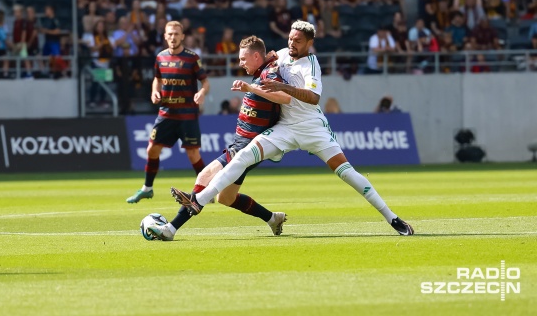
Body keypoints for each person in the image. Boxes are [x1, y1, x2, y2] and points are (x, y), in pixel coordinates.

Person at [170, 21, 414, 236]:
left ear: (310, 42)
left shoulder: (311, 65)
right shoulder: (284, 54)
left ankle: (391, 217)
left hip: (312, 127)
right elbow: (266, 60)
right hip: (285, 127)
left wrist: (282, 87)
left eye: (298, 40)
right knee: (243, 155)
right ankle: (199, 201)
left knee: (347, 173)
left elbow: (313, 98)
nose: (292, 43)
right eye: (290, 38)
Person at [147, 36, 290, 241]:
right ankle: (272, 218)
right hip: (240, 144)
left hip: (248, 147)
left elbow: (286, 97)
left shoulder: (269, 74)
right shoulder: (262, 72)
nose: (240, 63)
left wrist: (251, 88)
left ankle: (171, 228)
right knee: (226, 197)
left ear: (256, 56)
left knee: (204, 177)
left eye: (243, 58)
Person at [126, 21, 210, 203]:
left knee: (193, 154)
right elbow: (157, 79)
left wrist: (202, 93)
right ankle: (147, 188)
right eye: (170, 34)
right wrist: (154, 91)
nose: (173, 37)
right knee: (152, 150)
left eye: (176, 34)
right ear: (165, 36)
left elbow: (205, 82)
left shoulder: (192, 58)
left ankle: (207, 190)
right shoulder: (160, 58)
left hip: (187, 114)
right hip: (166, 113)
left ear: (182, 36)